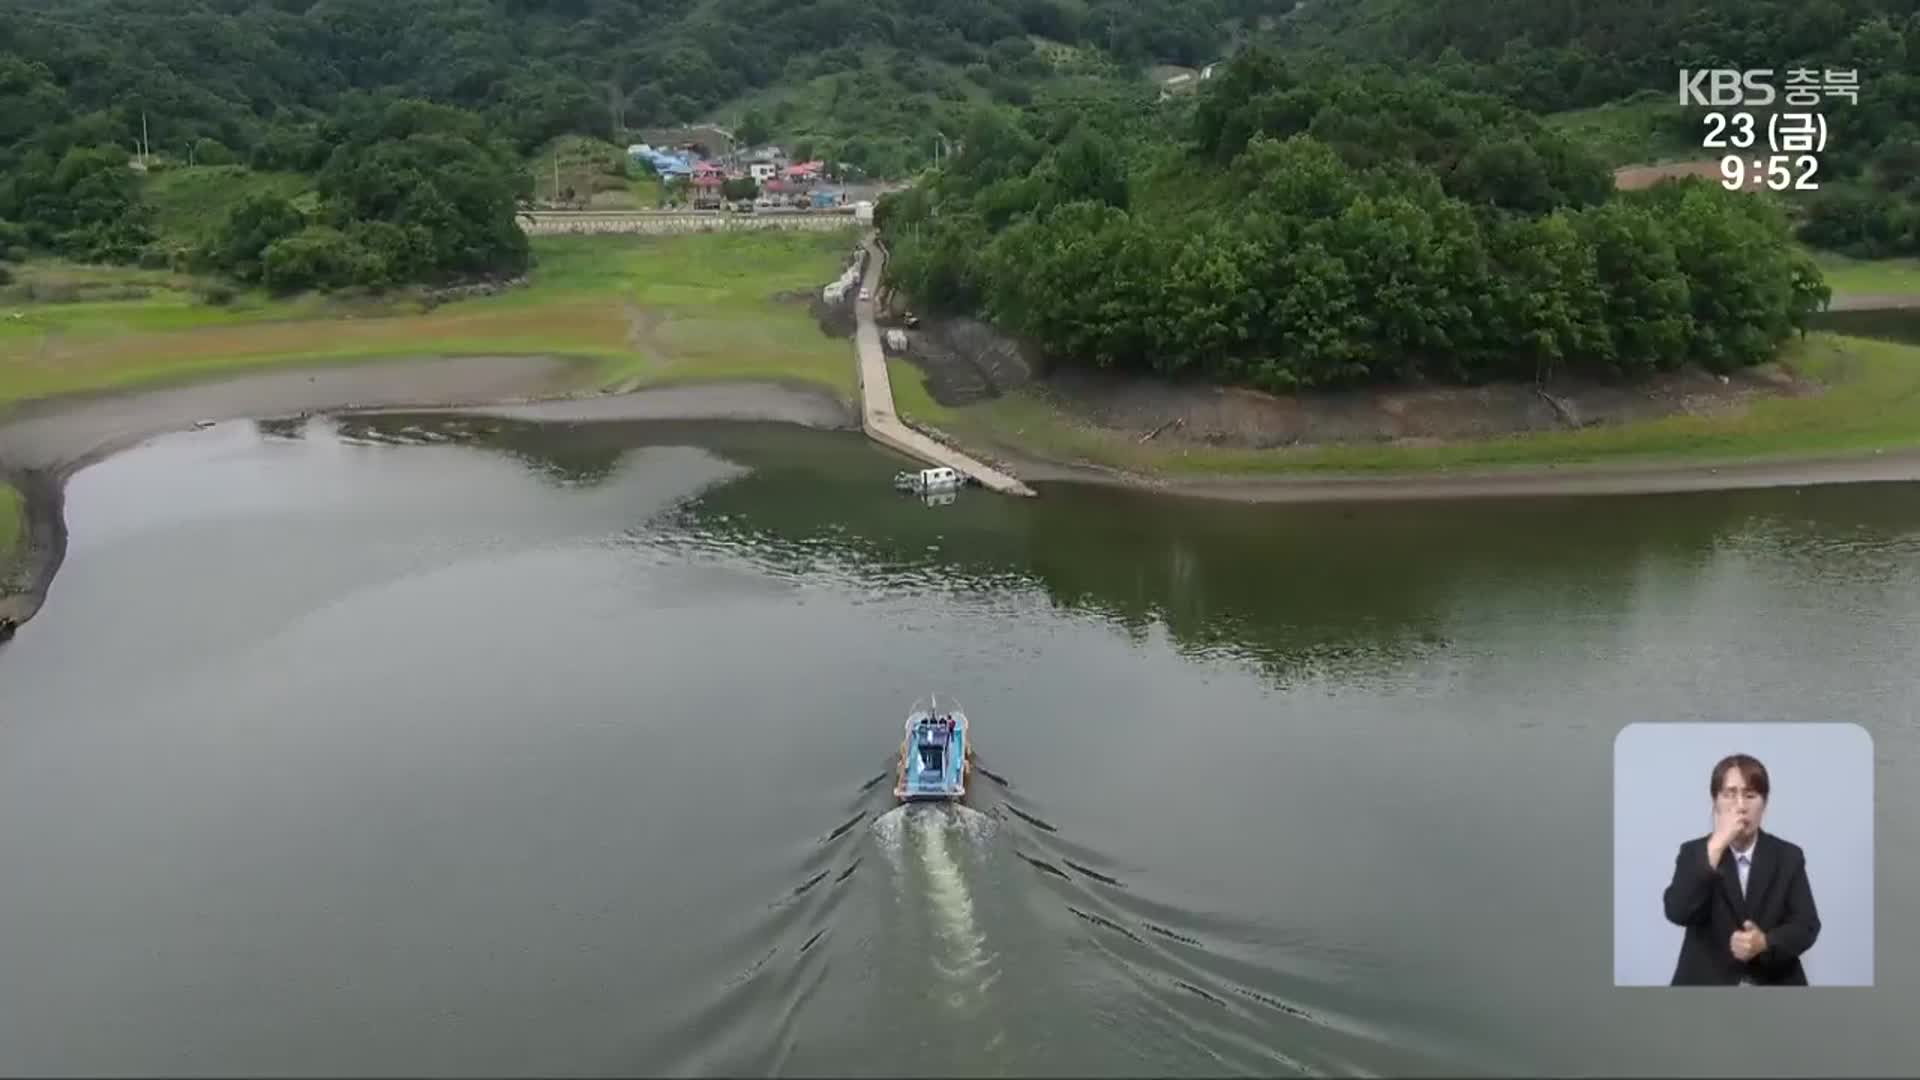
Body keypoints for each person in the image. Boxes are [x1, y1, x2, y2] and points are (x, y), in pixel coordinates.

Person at [1662, 753, 1821, 986]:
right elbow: (1678, 911)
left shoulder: (1788, 856)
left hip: (1774, 981)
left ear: (1764, 803)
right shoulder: (1693, 852)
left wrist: (1765, 942)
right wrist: (1716, 845)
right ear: (1715, 801)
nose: (1740, 806)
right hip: (1707, 985)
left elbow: (1806, 925)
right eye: (1729, 794)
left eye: (1750, 795)